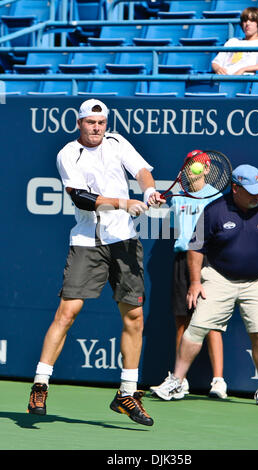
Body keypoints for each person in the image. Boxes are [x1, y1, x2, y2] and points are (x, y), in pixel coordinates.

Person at [26, 98, 165, 426]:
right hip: (87, 243)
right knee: (67, 313)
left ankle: (126, 394)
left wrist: (147, 193)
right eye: (90, 123)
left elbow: (142, 171)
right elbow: (81, 198)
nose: (96, 128)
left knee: (134, 317)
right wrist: (122, 202)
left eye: (101, 123)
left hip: (125, 242)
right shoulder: (67, 154)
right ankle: (40, 384)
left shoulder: (117, 142)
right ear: (80, 123)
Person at [156, 164, 258, 405]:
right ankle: (176, 381)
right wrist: (195, 282)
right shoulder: (214, 211)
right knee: (196, 328)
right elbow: (196, 247)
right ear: (235, 189)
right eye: (250, 190)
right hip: (218, 277)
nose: (256, 195)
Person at [150, 150, 227, 401]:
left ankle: (218, 381)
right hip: (182, 260)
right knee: (182, 321)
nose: (192, 170)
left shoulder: (216, 197)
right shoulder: (177, 198)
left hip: (207, 261)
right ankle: (179, 382)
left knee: (211, 322)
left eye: (198, 167)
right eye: (189, 166)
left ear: (207, 170)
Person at [212, 7, 258, 75]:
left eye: (252, 20)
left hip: (245, 81)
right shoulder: (232, 42)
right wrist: (218, 68)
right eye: (245, 20)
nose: (247, 23)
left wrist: (243, 69)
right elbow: (215, 62)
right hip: (224, 79)